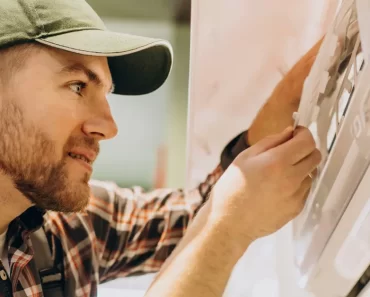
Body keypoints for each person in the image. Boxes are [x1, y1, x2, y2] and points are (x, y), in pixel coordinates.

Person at [0, 0, 322, 297]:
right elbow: (216, 222)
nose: (109, 127)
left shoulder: (64, 228)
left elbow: (192, 218)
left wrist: (290, 99)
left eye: (106, 94)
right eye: (77, 86)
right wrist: (228, 232)